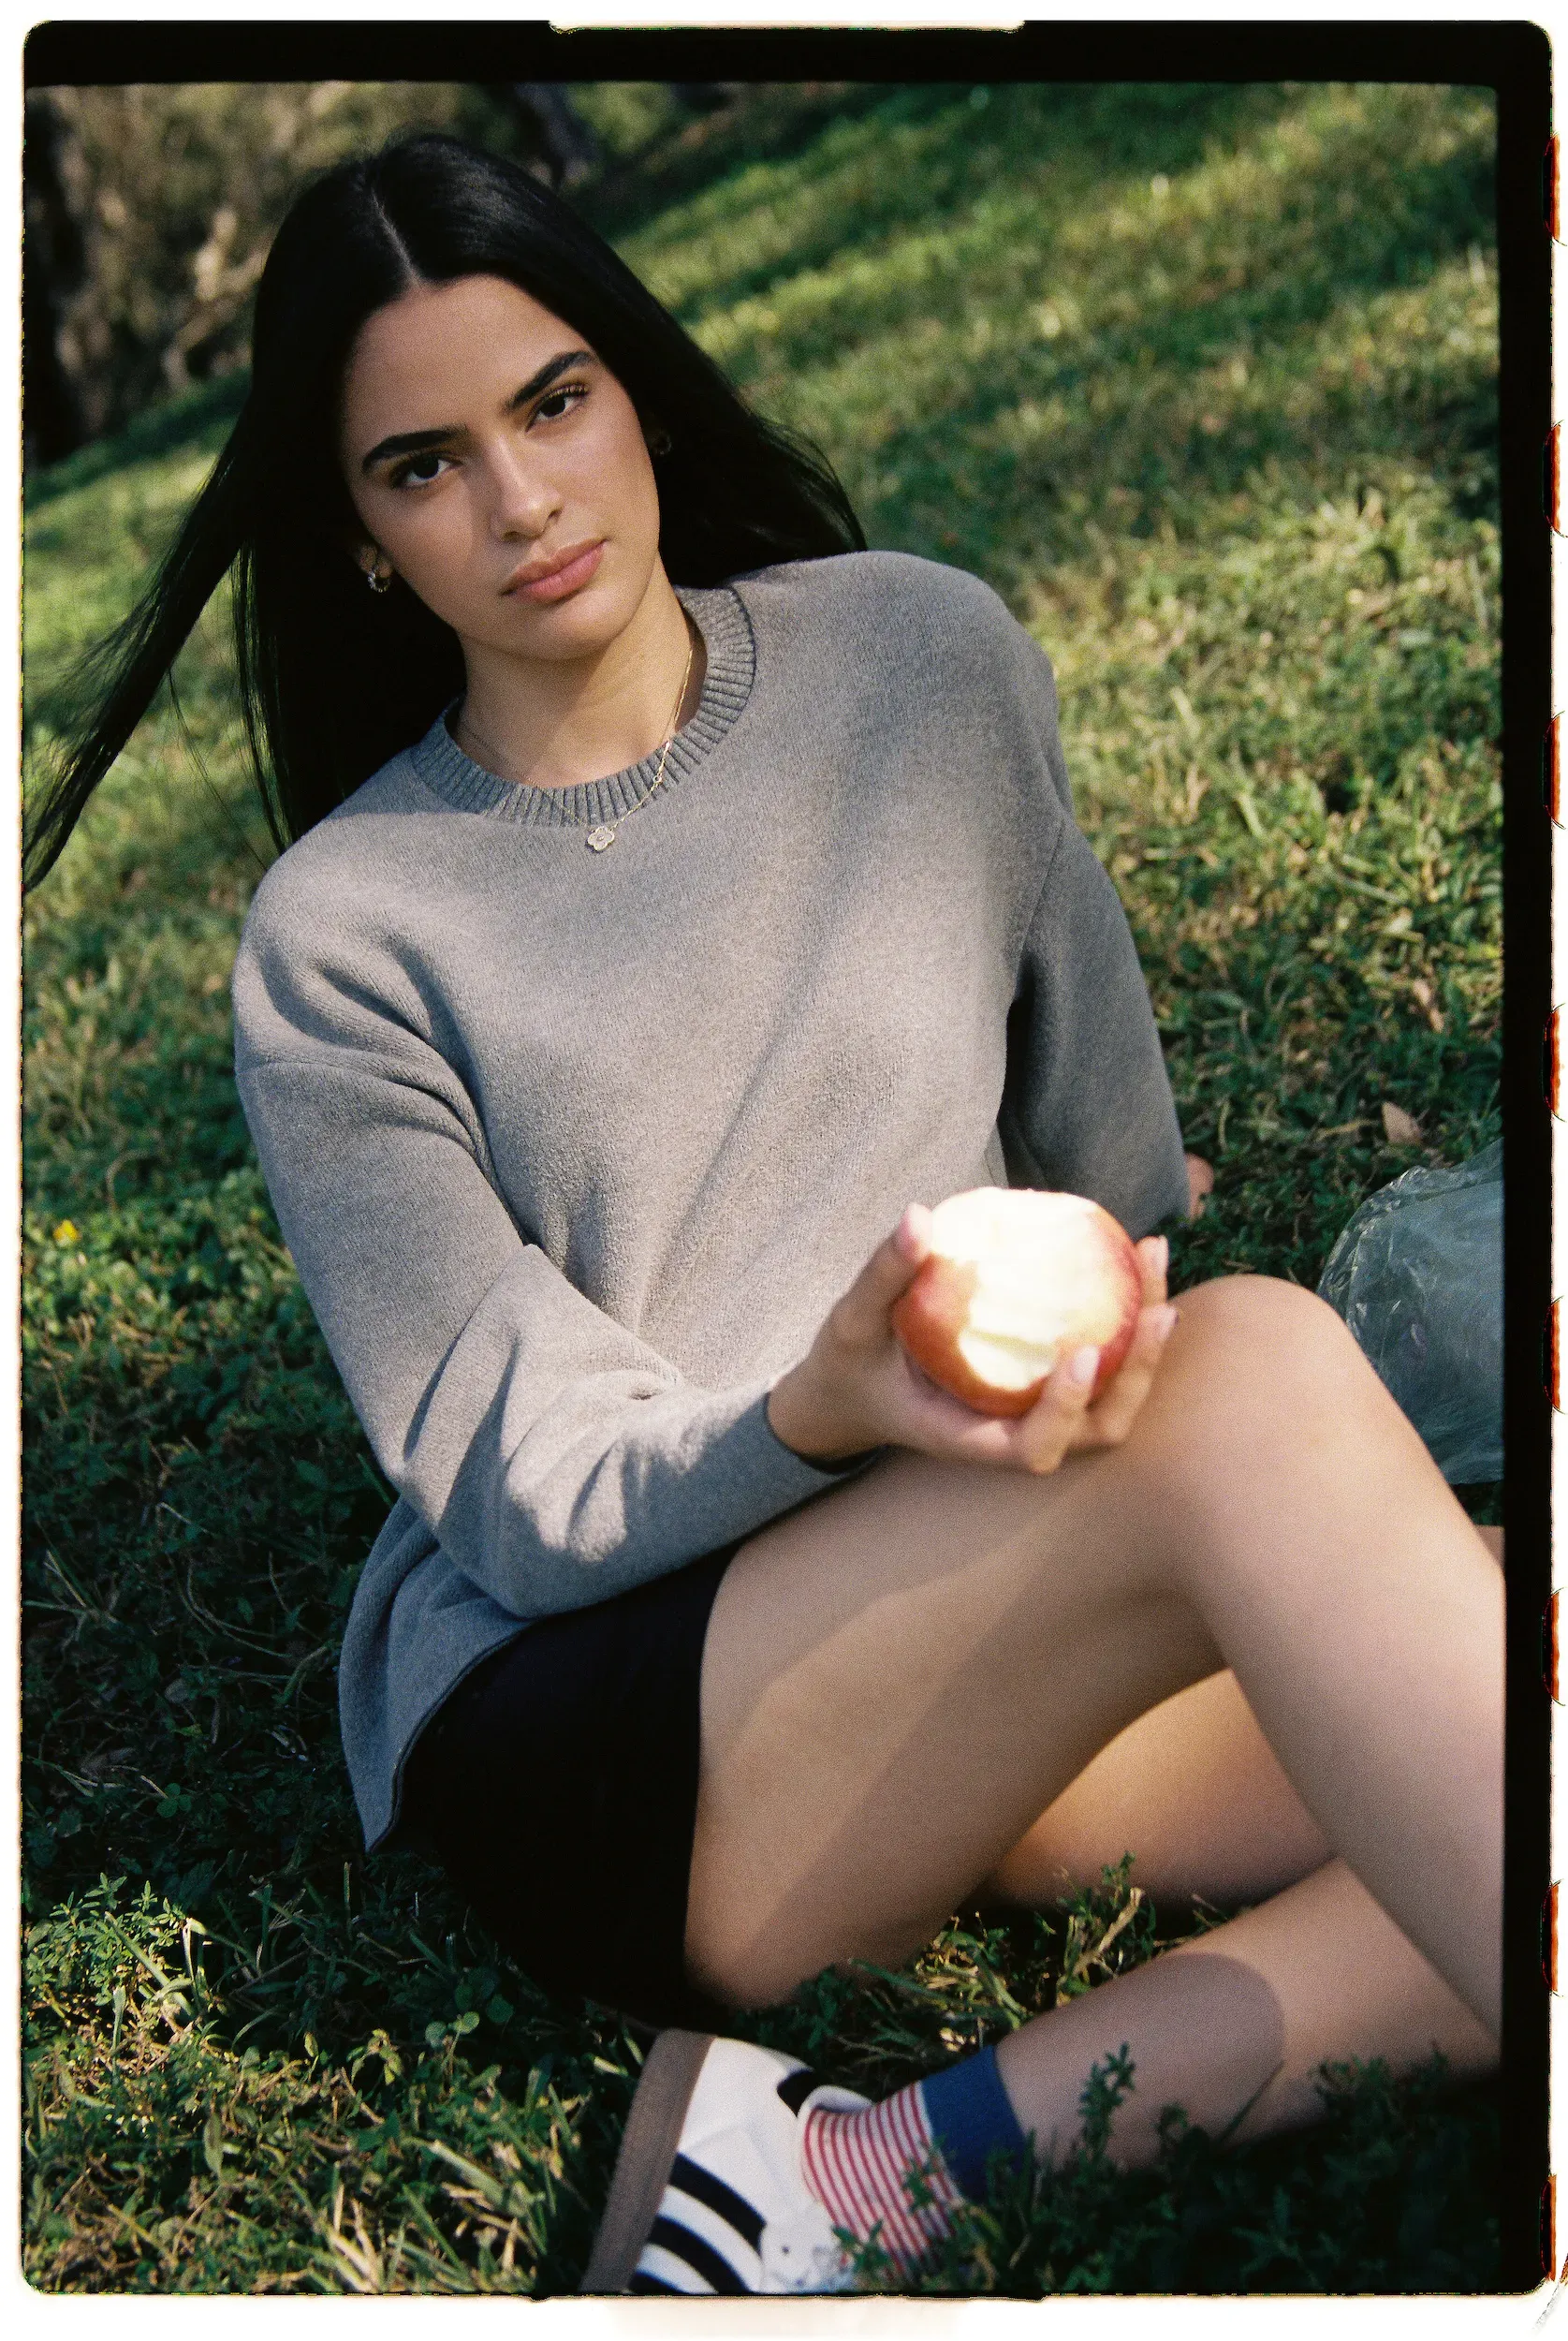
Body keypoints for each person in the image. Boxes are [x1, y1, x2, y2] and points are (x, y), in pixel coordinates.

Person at [29, 134, 1502, 2297]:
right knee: (1272, 1376)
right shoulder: (343, 936)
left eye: (550, 404)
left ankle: (848, 2175)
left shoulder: (924, 661)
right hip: (612, 1710)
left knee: (1479, 1723)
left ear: (629, 389)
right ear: (358, 536)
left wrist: (1069, 1345)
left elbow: (1111, 1165)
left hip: (952, 1610)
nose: (522, 499)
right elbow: (521, 1487)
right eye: (424, 464)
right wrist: (824, 1405)